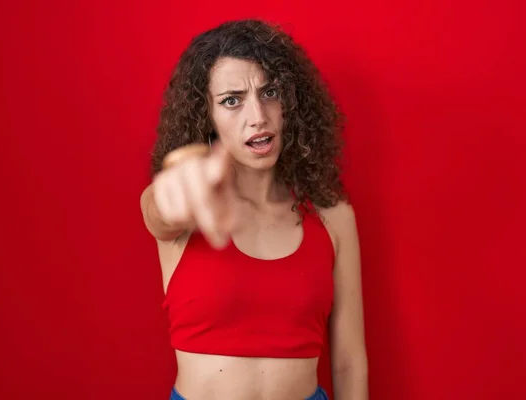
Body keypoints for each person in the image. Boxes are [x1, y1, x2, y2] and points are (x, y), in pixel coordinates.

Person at [141, 19, 368, 400]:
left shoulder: (334, 215)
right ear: (205, 116)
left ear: (290, 103)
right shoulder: (190, 204)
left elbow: (348, 359)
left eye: (270, 92)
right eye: (232, 100)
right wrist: (172, 190)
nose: (258, 116)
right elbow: (159, 211)